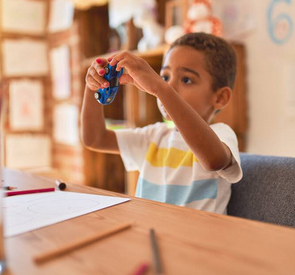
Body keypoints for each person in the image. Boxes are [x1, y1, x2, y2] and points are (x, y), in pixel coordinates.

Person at [81, 32, 242, 214]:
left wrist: (161, 88)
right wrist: (93, 88)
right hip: (150, 235)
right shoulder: (154, 136)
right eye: (165, 77)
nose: (169, 86)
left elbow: (214, 160)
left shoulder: (221, 134)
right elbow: (95, 138)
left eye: (186, 80)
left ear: (220, 97)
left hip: (196, 241)